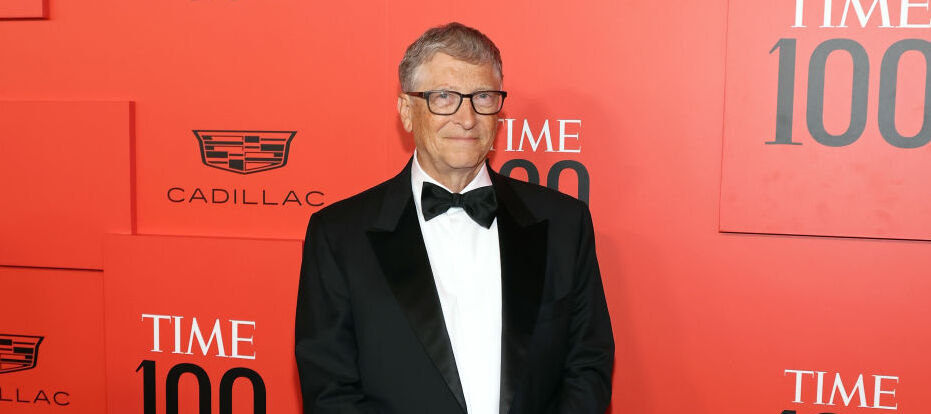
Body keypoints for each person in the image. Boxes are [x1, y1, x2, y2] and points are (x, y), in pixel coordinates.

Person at [295, 22, 614, 414]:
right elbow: (330, 392)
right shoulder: (339, 236)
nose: (466, 118)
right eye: (444, 97)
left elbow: (587, 366)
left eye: (482, 97)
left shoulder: (566, 224)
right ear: (406, 111)